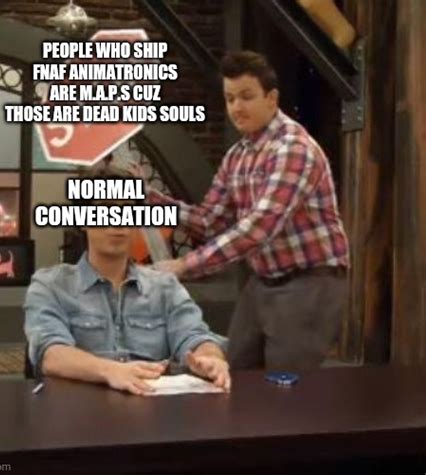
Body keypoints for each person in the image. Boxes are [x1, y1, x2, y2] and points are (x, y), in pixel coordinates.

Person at [135, 50, 350, 372]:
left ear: (271, 99)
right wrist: (148, 198)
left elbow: (258, 228)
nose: (237, 107)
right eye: (230, 98)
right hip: (263, 279)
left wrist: (182, 265)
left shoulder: (293, 148)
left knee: (285, 386)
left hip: (309, 282)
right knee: (234, 371)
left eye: (246, 97)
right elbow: (209, 221)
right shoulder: (237, 155)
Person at [24, 163, 230, 396]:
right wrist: (111, 371)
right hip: (79, 409)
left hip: (151, 408)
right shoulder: (51, 285)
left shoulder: (165, 286)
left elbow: (194, 335)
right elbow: (50, 354)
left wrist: (209, 357)